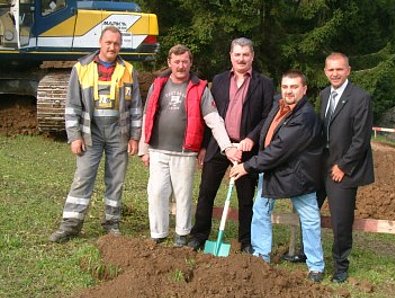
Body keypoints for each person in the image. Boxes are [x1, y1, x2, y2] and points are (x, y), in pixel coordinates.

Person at [138, 44, 241, 247]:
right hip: (158, 149)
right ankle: (158, 234)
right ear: (169, 63)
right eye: (176, 62)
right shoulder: (158, 84)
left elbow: (214, 120)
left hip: (185, 152)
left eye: (185, 61)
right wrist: (144, 148)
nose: (181, 66)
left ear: (190, 63)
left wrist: (227, 147)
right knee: (156, 191)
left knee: (183, 194)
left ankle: (181, 234)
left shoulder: (200, 88)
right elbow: (147, 116)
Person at [49, 26, 143, 243]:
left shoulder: (128, 70)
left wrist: (134, 136)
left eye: (116, 43)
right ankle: (70, 225)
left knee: (116, 180)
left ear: (121, 46)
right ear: (100, 42)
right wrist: (74, 136)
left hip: (118, 133)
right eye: (108, 42)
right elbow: (72, 105)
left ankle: (112, 223)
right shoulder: (81, 68)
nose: (112, 47)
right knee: (83, 178)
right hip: (90, 133)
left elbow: (136, 107)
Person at [230, 70, 325, 283]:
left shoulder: (305, 117)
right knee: (260, 210)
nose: (289, 91)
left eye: (294, 87)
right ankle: (261, 256)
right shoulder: (279, 104)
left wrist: (247, 166)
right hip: (272, 170)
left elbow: (280, 149)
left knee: (309, 218)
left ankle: (316, 266)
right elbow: (268, 135)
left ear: (304, 89)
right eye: (285, 87)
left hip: (298, 174)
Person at [187, 37, 274, 253]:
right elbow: (211, 115)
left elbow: (267, 117)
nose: (241, 59)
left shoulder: (264, 84)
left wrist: (251, 138)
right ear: (231, 56)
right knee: (206, 192)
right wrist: (206, 146)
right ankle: (199, 236)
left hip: (246, 150)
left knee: (245, 199)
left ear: (252, 56)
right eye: (237, 54)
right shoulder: (218, 81)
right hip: (219, 146)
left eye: (246, 54)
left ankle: (245, 241)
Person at [317, 52, 374, 283]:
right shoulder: (323, 95)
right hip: (321, 165)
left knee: (341, 220)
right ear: (325, 71)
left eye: (339, 69)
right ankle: (307, 252)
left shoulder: (361, 98)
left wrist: (343, 166)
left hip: (343, 169)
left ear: (348, 70)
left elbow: (361, 139)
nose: (335, 74)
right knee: (308, 210)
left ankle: (341, 265)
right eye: (331, 70)